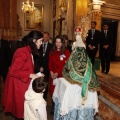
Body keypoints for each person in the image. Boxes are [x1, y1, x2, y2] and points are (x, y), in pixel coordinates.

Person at [2, 30, 43, 120]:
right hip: (19, 87)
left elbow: (25, 68)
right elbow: (13, 71)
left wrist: (35, 75)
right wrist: (31, 75)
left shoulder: (28, 51)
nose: (41, 43)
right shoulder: (23, 52)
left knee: (23, 113)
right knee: (21, 113)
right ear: (34, 41)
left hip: (23, 84)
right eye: (40, 41)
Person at [48, 35, 70, 114]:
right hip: (53, 75)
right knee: (53, 91)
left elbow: (66, 65)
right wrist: (51, 72)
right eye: (56, 42)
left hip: (62, 76)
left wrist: (58, 73)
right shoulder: (52, 51)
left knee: (61, 92)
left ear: (62, 43)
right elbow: (50, 63)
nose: (58, 44)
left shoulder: (66, 51)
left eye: (60, 42)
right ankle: (53, 106)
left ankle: (61, 107)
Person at [39, 31, 52, 99]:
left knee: (46, 83)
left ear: (49, 37)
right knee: (38, 83)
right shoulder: (39, 45)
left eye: (46, 37)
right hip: (39, 68)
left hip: (47, 68)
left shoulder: (51, 46)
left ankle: (45, 97)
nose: (44, 39)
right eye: (43, 37)